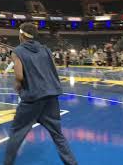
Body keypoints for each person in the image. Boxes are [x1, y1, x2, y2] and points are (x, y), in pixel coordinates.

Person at [4, 23, 77, 165]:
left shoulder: (17, 51)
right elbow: (52, 69)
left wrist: (17, 86)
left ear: (22, 34)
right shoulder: (45, 49)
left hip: (32, 98)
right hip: (51, 96)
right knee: (58, 135)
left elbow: (19, 76)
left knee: (17, 133)